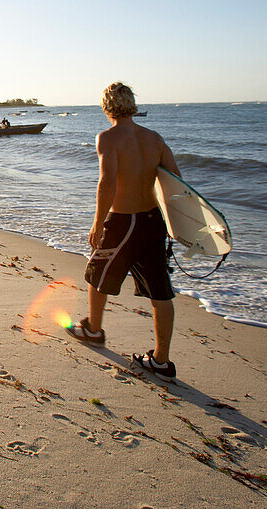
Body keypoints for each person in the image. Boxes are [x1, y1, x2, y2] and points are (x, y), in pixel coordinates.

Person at [65, 82, 181, 381]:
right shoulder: (155, 138)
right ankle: (161, 361)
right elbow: (177, 184)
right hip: (154, 222)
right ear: (131, 104)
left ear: (106, 107)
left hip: (123, 222)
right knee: (160, 290)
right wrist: (175, 226)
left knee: (97, 273)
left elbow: (107, 183)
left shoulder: (108, 138)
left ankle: (92, 329)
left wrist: (97, 223)